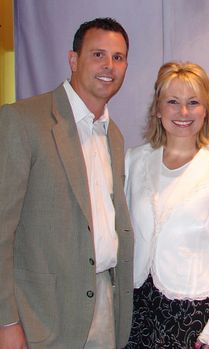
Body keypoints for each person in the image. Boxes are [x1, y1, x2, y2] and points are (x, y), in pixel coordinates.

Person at [0, 17, 134, 349]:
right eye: (98, 54)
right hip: (41, 314)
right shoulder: (23, 120)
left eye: (118, 57)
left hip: (105, 301)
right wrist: (6, 321)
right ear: (73, 60)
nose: (109, 66)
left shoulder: (113, 135)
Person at [124, 61, 209, 349]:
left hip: (191, 314)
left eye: (193, 102)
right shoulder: (134, 160)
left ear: (205, 110)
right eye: (173, 102)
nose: (184, 112)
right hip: (135, 308)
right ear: (158, 108)